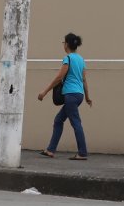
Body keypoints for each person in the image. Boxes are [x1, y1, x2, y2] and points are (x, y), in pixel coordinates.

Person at [37, 32, 92, 160]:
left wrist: (44, 92)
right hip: (78, 95)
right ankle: (50, 150)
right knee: (58, 120)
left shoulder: (68, 58)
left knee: (76, 123)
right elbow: (84, 80)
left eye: (63, 42)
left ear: (66, 44)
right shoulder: (81, 59)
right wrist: (87, 97)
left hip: (70, 95)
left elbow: (59, 77)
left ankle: (82, 153)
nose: (63, 44)